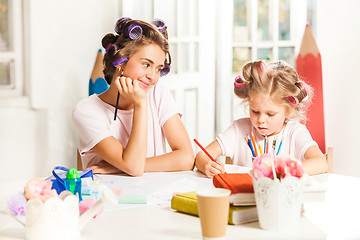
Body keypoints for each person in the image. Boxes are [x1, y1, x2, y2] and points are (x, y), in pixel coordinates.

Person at [72, 18, 194, 176]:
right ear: (121, 62)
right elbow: (134, 168)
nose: (153, 77)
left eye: (158, 69)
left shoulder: (159, 94)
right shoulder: (86, 111)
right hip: (112, 197)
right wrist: (141, 105)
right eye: (146, 64)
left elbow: (186, 158)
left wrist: (118, 166)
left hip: (157, 196)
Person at [195, 60, 327, 178]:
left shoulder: (294, 132)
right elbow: (202, 156)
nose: (261, 120)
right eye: (255, 111)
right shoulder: (240, 129)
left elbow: (320, 163)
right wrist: (207, 165)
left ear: (289, 111)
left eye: (270, 114)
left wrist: (285, 170)